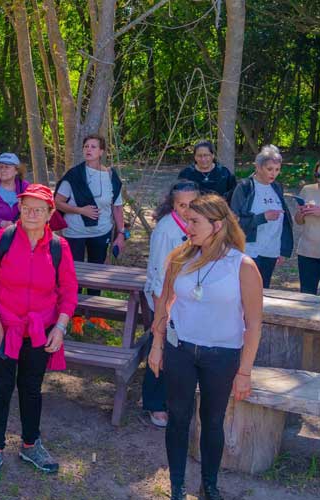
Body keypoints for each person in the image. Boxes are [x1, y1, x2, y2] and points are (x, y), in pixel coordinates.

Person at [147, 194, 262, 500]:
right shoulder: (179, 257)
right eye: (186, 220)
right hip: (180, 350)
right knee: (178, 418)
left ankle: (209, 486)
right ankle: (176, 486)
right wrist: (157, 346)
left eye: (195, 221)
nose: (188, 227)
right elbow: (163, 304)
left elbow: (254, 324)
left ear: (218, 225)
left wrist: (245, 372)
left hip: (222, 356)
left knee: (212, 421)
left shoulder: (243, 266)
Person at [0, 184, 77, 481]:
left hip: (40, 331)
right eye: (27, 207)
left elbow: (69, 291)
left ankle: (31, 444)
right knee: (1, 389)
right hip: (2, 329)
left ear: (49, 213)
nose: (31, 213)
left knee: (31, 389)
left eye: (39, 209)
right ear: (19, 208)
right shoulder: (1, 239)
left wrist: (60, 326)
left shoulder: (59, 247)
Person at [142, 181, 200, 428]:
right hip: (163, 299)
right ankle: (155, 403)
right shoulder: (166, 230)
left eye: (192, 205)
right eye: (181, 205)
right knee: (160, 347)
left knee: (178, 351)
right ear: (172, 204)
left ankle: (173, 398)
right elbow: (157, 273)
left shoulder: (199, 224)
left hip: (187, 299)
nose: (187, 210)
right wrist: (160, 312)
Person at [54, 134, 125, 332]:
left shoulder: (111, 176)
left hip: (101, 232)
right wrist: (80, 210)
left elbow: (117, 208)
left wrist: (121, 233)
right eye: (86, 146)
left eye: (93, 147)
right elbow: (57, 202)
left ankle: (95, 315)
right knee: (74, 275)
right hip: (75, 231)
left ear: (102, 152)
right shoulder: (74, 175)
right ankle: (75, 317)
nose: (89, 149)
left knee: (96, 273)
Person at [230, 144, 293, 289]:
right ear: (258, 167)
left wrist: (282, 249)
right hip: (249, 250)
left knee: (263, 291)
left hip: (271, 251)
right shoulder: (245, 187)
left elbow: (284, 221)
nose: (274, 173)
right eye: (269, 169)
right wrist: (262, 217)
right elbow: (234, 221)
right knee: (246, 291)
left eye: (277, 170)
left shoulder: (277, 187)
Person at [294, 161, 320, 294]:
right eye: (318, 174)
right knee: (307, 295)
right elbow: (298, 221)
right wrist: (301, 212)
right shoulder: (307, 190)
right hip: (307, 252)